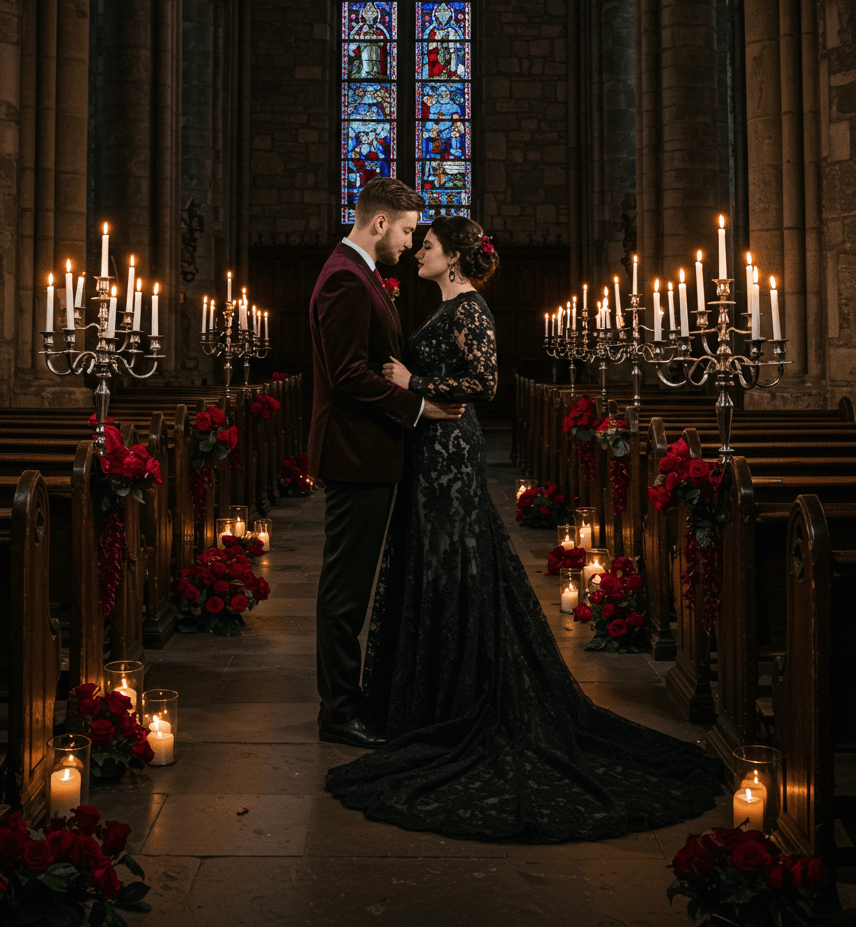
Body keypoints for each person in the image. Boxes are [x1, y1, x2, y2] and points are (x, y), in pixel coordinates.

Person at [325, 214, 721, 842]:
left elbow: (485, 383)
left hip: (450, 453)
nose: (417, 253)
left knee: (455, 563)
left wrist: (413, 382)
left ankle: (460, 697)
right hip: (428, 450)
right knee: (430, 563)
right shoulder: (441, 304)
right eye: (417, 242)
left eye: (426, 246)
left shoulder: (472, 308)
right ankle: (426, 697)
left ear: (453, 257)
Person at [308, 178, 464, 749]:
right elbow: (349, 375)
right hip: (355, 454)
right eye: (404, 230)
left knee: (353, 584)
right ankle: (339, 711)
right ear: (379, 224)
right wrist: (420, 406)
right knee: (346, 590)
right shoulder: (346, 281)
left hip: (369, 452)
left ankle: (349, 699)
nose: (408, 241)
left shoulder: (361, 274)